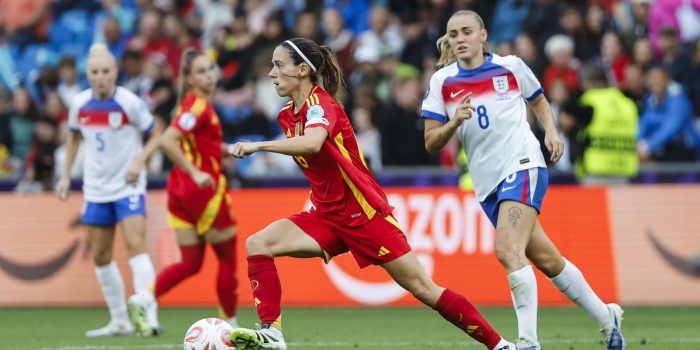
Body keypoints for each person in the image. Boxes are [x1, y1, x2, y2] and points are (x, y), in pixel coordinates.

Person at [227, 37, 516, 350]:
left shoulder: (322, 105)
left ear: (301, 70)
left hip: (363, 214)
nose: (271, 73)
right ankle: (272, 333)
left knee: (424, 289)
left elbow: (312, 143)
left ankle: (500, 346)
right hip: (326, 215)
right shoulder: (286, 114)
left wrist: (258, 145)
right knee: (258, 244)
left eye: (278, 65)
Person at [421, 10, 627, 350]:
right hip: (487, 183)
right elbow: (431, 141)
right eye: (454, 34)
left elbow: (539, 99)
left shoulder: (511, 67)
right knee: (547, 260)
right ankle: (607, 317)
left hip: (523, 162)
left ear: (483, 35)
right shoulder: (442, 82)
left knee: (507, 248)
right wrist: (454, 123)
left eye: (467, 32)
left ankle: (529, 342)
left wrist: (551, 132)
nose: (460, 39)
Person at [127, 48, 240, 331]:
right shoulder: (199, 106)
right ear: (188, 78)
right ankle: (231, 325)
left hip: (179, 192)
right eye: (201, 71)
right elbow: (168, 141)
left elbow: (193, 143)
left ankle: (143, 298)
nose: (209, 76)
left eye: (210, 69)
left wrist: (222, 150)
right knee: (227, 259)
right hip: (204, 191)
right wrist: (196, 171)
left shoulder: (188, 105)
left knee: (191, 263)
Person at [55, 43, 161, 338]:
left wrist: (140, 161)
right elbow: (75, 138)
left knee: (135, 247)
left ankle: (148, 317)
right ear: (88, 74)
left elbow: (156, 133)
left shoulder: (129, 102)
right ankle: (120, 321)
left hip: (127, 186)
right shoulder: (80, 104)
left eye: (105, 71)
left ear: (115, 73)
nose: (100, 77)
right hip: (96, 188)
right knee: (101, 254)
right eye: (94, 72)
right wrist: (65, 177)